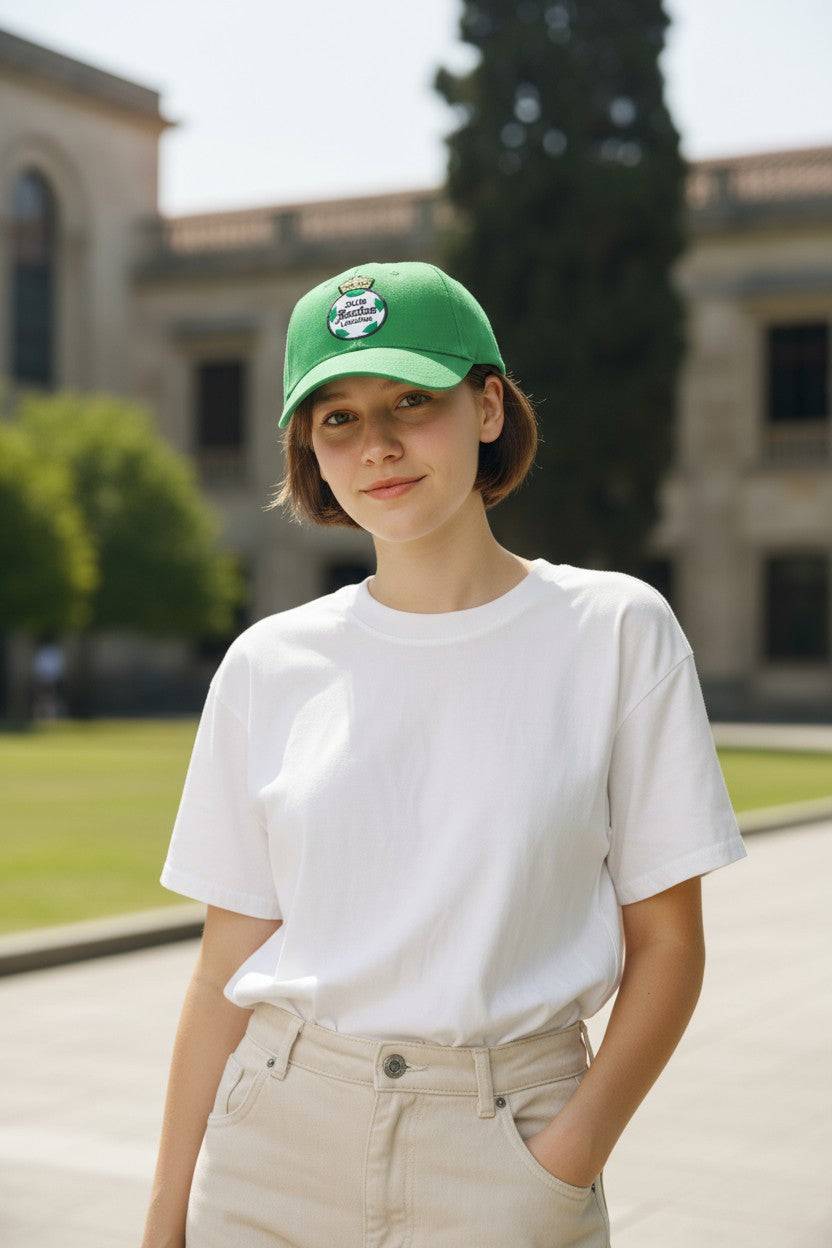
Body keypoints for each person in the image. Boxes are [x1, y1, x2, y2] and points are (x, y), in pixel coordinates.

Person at [142, 261, 748, 1248]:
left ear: (488, 407)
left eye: (411, 402)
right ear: (309, 449)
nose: (375, 444)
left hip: (505, 1146)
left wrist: (560, 1163)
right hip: (269, 1151)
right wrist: (165, 1215)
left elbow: (670, 948)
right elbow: (224, 967)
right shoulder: (268, 664)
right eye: (336, 417)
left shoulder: (613, 631)